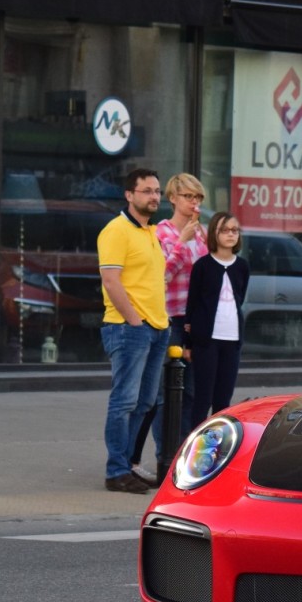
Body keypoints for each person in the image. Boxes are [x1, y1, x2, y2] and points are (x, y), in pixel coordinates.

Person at [127, 172, 208, 485]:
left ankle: (185, 460)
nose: (194, 203)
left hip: (192, 320)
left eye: (198, 198)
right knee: (164, 395)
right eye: (188, 197)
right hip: (168, 317)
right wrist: (182, 241)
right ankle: (167, 459)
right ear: (173, 198)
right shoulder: (160, 232)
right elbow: (161, 274)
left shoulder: (200, 236)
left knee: (189, 393)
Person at [98, 168, 170, 494]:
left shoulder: (151, 232)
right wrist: (134, 320)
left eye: (157, 191)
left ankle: (126, 466)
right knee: (124, 402)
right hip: (129, 328)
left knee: (145, 403)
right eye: (146, 191)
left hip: (157, 328)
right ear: (129, 195)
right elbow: (111, 281)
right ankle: (115, 471)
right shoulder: (116, 230)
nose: (154, 196)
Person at [185, 212, 250, 426]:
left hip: (232, 340)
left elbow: (239, 298)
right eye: (225, 230)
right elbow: (192, 305)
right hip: (206, 340)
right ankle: (194, 446)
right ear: (214, 233)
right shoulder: (203, 266)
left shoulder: (242, 266)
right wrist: (188, 343)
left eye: (235, 230)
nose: (231, 234)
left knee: (223, 400)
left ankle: (218, 449)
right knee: (202, 398)